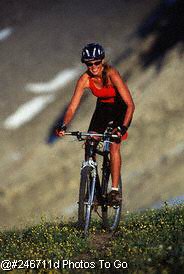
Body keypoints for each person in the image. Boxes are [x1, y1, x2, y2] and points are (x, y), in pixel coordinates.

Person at [56, 43, 135, 204]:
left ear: (102, 61)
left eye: (96, 63)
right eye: (89, 64)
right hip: (103, 108)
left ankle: (114, 191)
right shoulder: (84, 79)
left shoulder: (111, 73)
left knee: (113, 144)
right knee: (89, 143)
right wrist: (64, 125)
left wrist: (123, 128)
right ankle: (94, 191)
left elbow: (130, 104)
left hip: (119, 108)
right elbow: (72, 106)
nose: (93, 67)